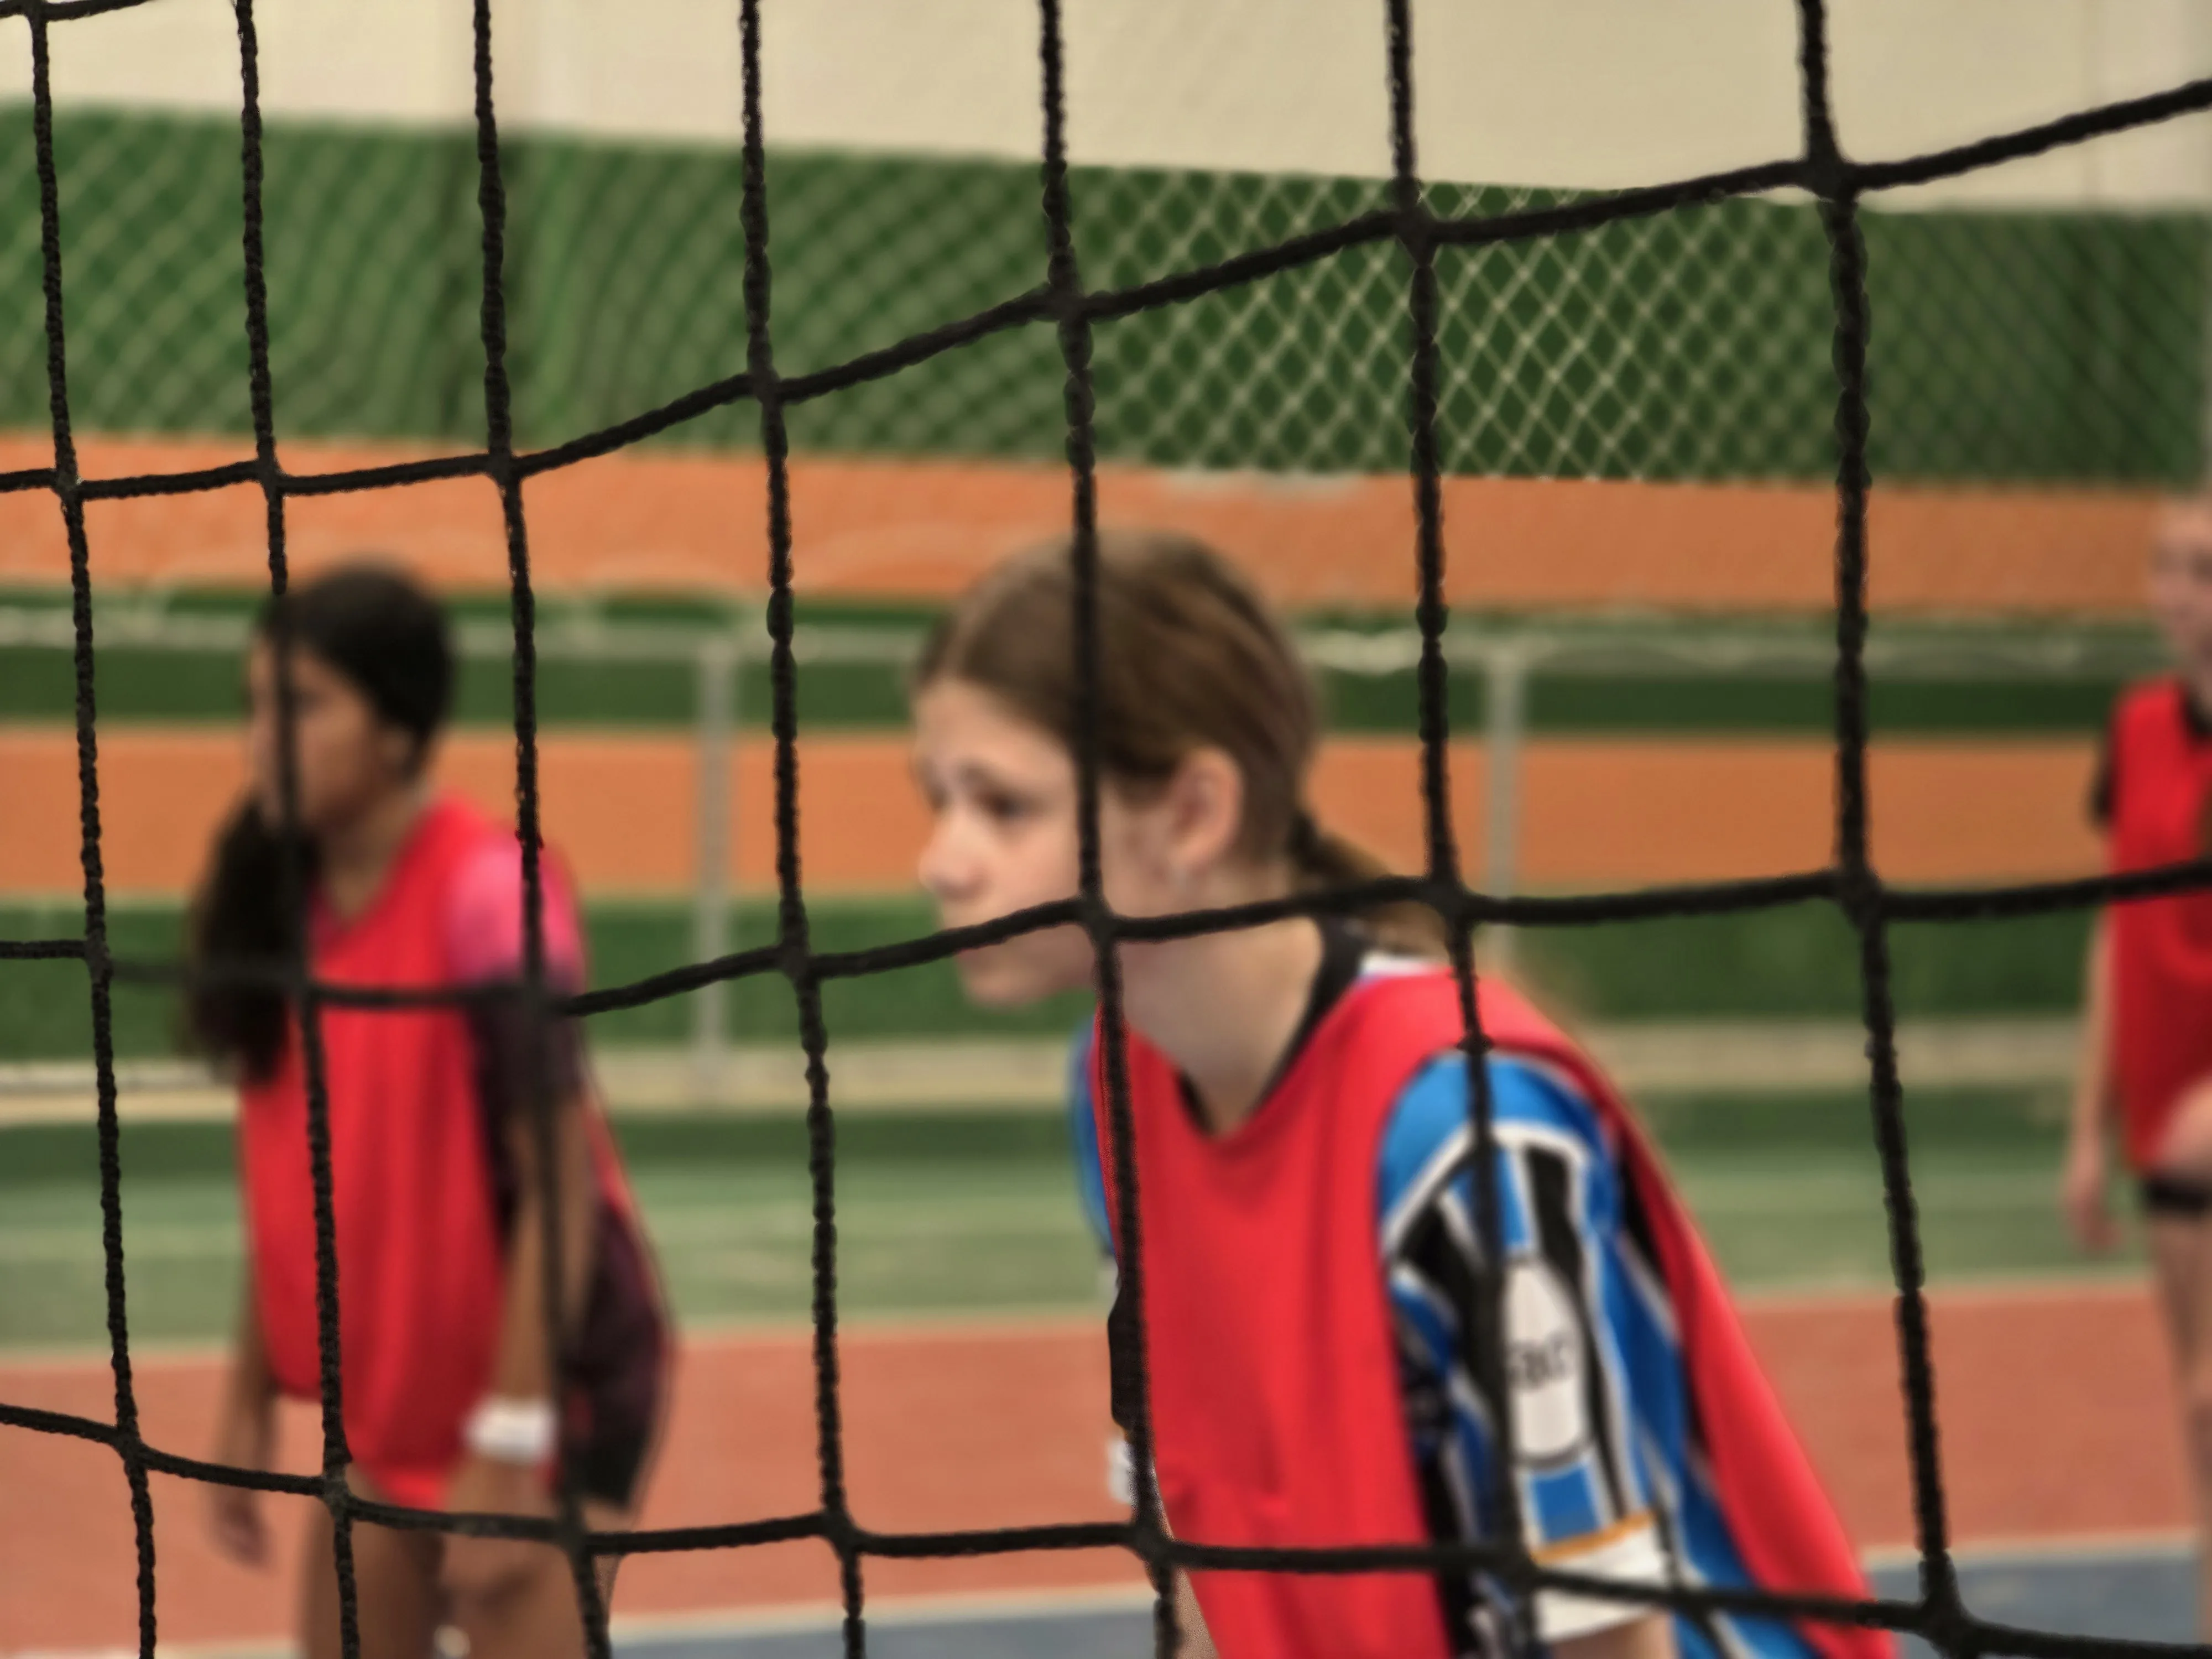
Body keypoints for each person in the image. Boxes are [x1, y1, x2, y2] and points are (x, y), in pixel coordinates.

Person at [908, 530, 1887, 1659]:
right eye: (939, 798)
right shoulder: (1116, 1088)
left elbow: (1606, 1634)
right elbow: (1192, 1512)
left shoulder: (1462, 1133)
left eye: (1002, 806)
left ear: (1192, 815)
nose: (942, 860)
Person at [185, 564, 670, 1659]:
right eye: (254, 705)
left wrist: (511, 1439)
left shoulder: (491, 901)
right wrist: (246, 1394)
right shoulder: (277, 914)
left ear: (397, 731)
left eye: (302, 705)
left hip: (550, 1390)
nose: (263, 738)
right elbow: (292, 1184)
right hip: (393, 1396)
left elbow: (560, 1194)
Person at [2067, 497, 2212, 1636]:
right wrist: (2086, 1128)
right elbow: (2115, 929)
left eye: (2202, 569)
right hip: (2162, 1110)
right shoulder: (2135, 727)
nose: (2180, 592)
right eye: (2168, 567)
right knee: (2197, 1414)